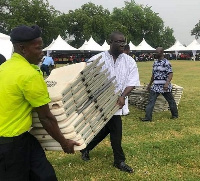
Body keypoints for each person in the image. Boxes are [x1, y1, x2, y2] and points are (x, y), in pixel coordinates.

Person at [0, 25, 80, 181]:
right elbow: (46, 118)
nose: (42, 53)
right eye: (38, 48)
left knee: (45, 175)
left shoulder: (4, 68)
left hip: (23, 138)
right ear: (23, 49)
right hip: (10, 146)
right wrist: (64, 143)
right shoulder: (29, 75)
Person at [80, 31, 140, 173]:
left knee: (109, 129)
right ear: (110, 42)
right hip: (101, 103)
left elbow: (132, 81)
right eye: (118, 41)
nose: (121, 44)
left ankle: (86, 148)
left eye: (123, 41)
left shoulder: (129, 61)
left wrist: (123, 96)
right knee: (116, 130)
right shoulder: (97, 59)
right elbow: (86, 78)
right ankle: (119, 161)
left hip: (118, 103)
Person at [140, 47, 178, 122]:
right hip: (155, 86)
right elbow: (153, 75)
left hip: (164, 86)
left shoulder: (166, 63)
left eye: (156, 52)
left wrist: (167, 84)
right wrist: (149, 84)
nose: (155, 53)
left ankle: (175, 115)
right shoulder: (155, 63)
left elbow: (170, 74)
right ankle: (148, 118)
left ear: (161, 53)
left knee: (171, 101)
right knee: (151, 101)